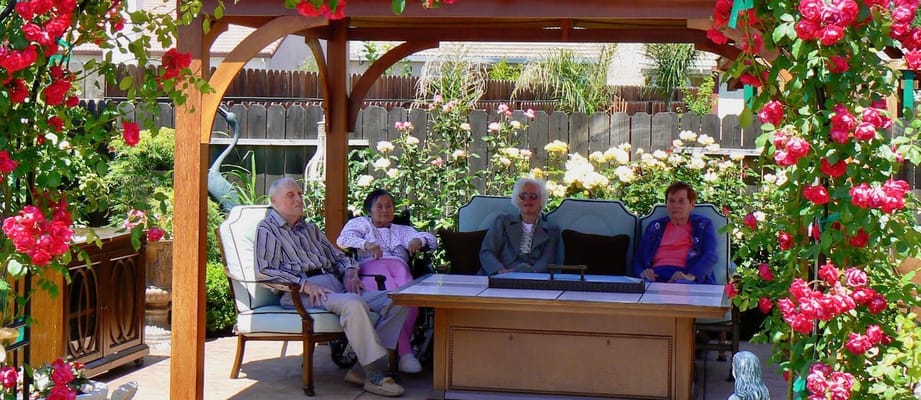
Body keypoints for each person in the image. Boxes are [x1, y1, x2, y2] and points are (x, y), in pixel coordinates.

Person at [255, 177, 408, 397]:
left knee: (399, 299)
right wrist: (303, 284)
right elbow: (265, 270)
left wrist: (349, 271)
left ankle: (360, 368)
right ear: (274, 201)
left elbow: (338, 257)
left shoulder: (310, 229)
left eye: (299, 193)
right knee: (354, 303)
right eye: (291, 195)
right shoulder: (268, 229)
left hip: (334, 287)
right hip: (301, 293)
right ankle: (373, 374)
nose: (299, 198)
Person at [337, 189, 437, 374]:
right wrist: (365, 244)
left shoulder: (403, 230)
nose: (385, 210)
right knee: (395, 302)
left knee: (410, 303)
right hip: (372, 269)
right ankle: (405, 353)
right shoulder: (361, 224)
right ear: (369, 210)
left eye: (389, 206)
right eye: (380, 206)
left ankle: (397, 351)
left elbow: (432, 239)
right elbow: (343, 239)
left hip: (400, 269)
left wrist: (418, 240)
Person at [634, 181, 718, 284]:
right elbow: (638, 259)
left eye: (681, 201)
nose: (675, 205)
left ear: (692, 205)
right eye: (671, 201)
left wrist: (691, 276)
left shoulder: (702, 225)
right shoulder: (655, 227)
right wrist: (643, 273)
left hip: (687, 275)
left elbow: (710, 255)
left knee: (682, 286)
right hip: (657, 277)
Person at [479, 177, 560, 275]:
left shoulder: (552, 230)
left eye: (533, 196)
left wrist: (529, 274)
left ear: (541, 201)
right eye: (523, 196)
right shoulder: (503, 222)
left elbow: (547, 259)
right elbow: (487, 252)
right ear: (517, 200)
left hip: (533, 278)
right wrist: (501, 271)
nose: (528, 200)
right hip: (498, 275)